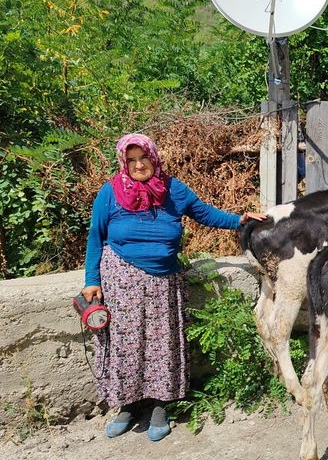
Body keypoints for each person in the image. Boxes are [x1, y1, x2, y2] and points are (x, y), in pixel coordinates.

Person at [80, 133, 266, 441]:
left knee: (162, 344)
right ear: (124, 163)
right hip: (121, 282)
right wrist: (91, 281)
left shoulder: (172, 189)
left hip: (164, 282)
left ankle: (159, 407)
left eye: (144, 158)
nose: (139, 165)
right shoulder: (110, 193)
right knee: (125, 345)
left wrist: (239, 220)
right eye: (132, 160)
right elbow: (95, 238)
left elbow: (204, 212)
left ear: (154, 158)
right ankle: (127, 406)